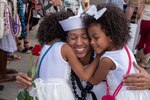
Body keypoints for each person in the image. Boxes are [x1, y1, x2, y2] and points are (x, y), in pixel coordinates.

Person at [17, 11, 100, 100]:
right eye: (73, 37)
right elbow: (84, 76)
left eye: (85, 37)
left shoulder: (46, 48)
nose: (79, 43)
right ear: (66, 38)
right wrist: (24, 80)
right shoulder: (65, 49)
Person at [83, 4, 150, 100]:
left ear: (111, 36)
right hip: (138, 94)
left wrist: (80, 71)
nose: (91, 42)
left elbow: (94, 80)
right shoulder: (125, 48)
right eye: (90, 38)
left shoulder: (107, 60)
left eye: (96, 37)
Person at [136, 0, 150, 68]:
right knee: (148, 43)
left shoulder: (145, 1)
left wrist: (138, 17)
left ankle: (138, 58)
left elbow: (139, 12)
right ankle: (144, 63)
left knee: (142, 39)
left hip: (144, 22)